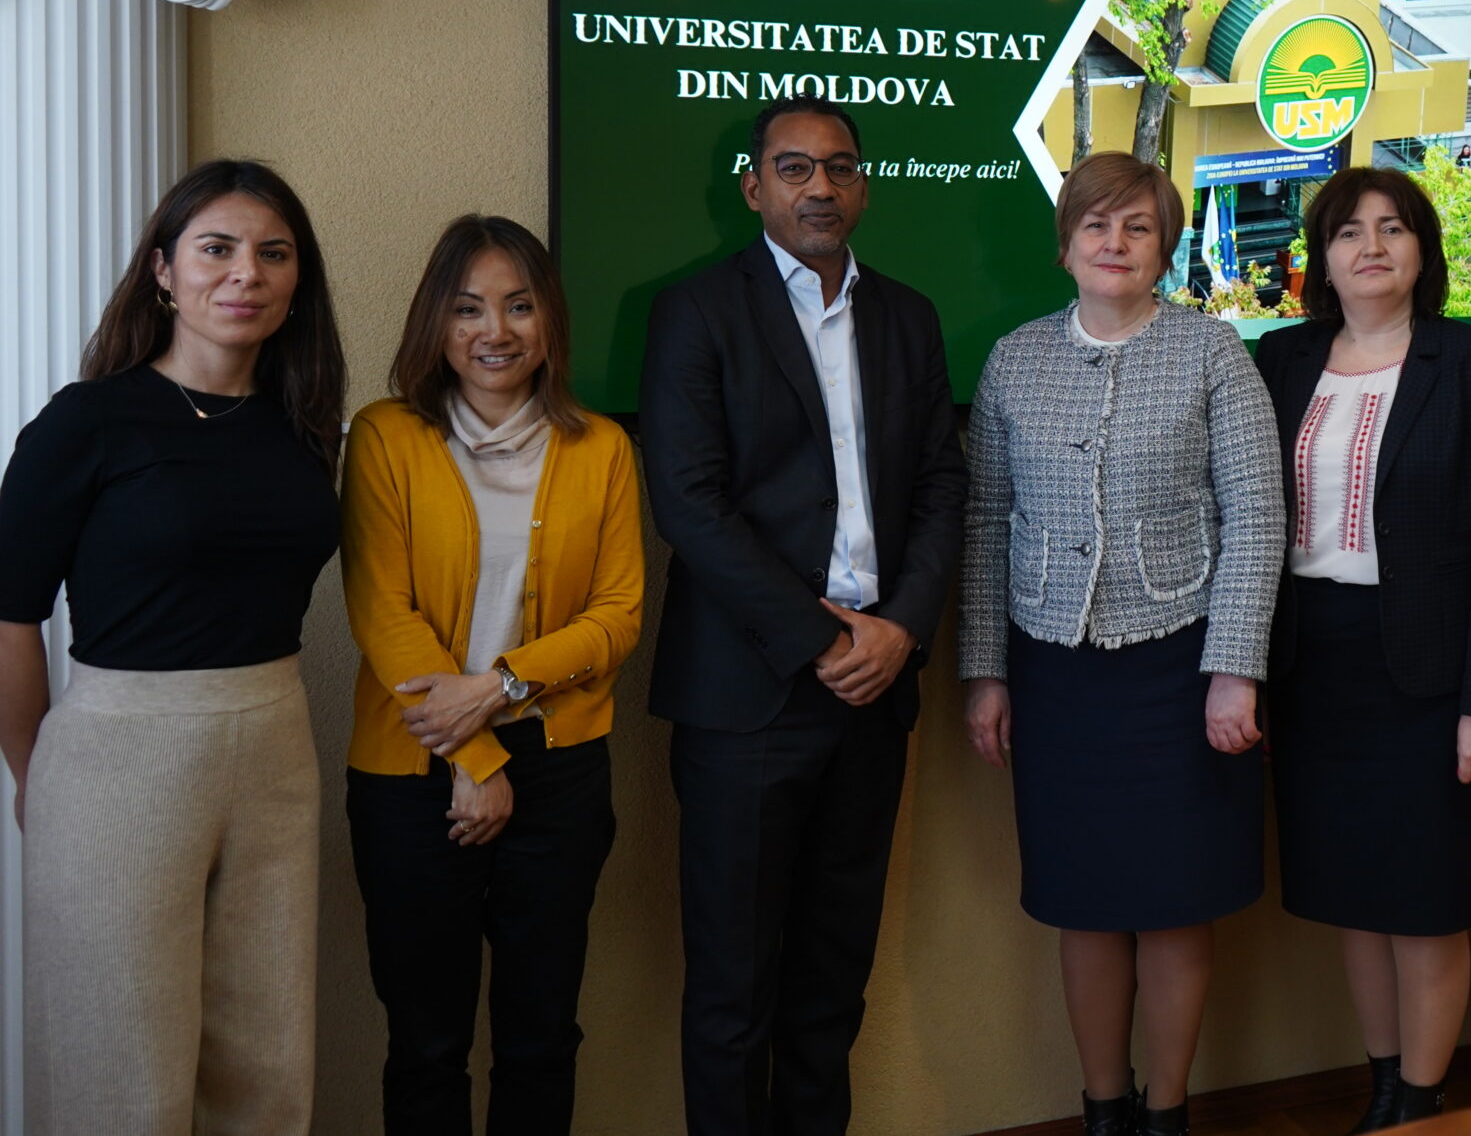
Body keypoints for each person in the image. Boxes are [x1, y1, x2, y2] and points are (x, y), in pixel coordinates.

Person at [641, 96, 967, 1136]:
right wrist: (826, 639)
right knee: (733, 991)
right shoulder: (695, 311)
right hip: (749, 698)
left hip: (875, 693)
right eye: (793, 168)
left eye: (839, 167)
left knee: (832, 982)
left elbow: (942, 486)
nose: (819, 186)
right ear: (753, 188)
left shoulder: (908, 316)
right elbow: (689, 505)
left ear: (863, 188)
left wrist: (900, 628)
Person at [0, 159, 347, 1135]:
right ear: (163, 270)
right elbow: (10, 613)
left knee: (265, 1060)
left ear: (297, 282)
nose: (246, 273)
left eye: (273, 254)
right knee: (119, 1067)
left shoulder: (304, 428)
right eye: (217, 248)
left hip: (276, 747)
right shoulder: (88, 421)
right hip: (119, 757)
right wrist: (34, 772)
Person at [959, 151, 1284, 1136]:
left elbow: (1258, 514)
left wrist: (1234, 672)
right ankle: (1103, 1109)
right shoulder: (1014, 359)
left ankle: (1166, 1112)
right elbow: (985, 520)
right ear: (1064, 245)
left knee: (1177, 900)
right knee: (1086, 900)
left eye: (1138, 227)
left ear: (1164, 249)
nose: (1115, 242)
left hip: (1182, 670)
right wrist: (985, 671)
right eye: (1096, 224)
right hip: (1054, 673)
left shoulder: (1212, 352)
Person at [340, 214, 645, 1135]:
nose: (495, 330)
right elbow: (382, 614)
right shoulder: (385, 435)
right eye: (468, 308)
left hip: (559, 775)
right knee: (426, 1042)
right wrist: (476, 759)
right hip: (412, 773)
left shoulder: (602, 447)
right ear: (436, 321)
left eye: (519, 306)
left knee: (542, 1036)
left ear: (549, 319)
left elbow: (618, 614)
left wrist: (501, 687)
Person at [1253, 168, 1471, 1131]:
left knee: (1424, 901)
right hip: (1312, 667)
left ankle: (1421, 1102)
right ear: (1321, 259)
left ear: (1423, 250)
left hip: (1431, 676)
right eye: (1347, 232)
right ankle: (1382, 1092)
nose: (1370, 246)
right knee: (1354, 894)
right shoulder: (1282, 358)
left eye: (1392, 228)